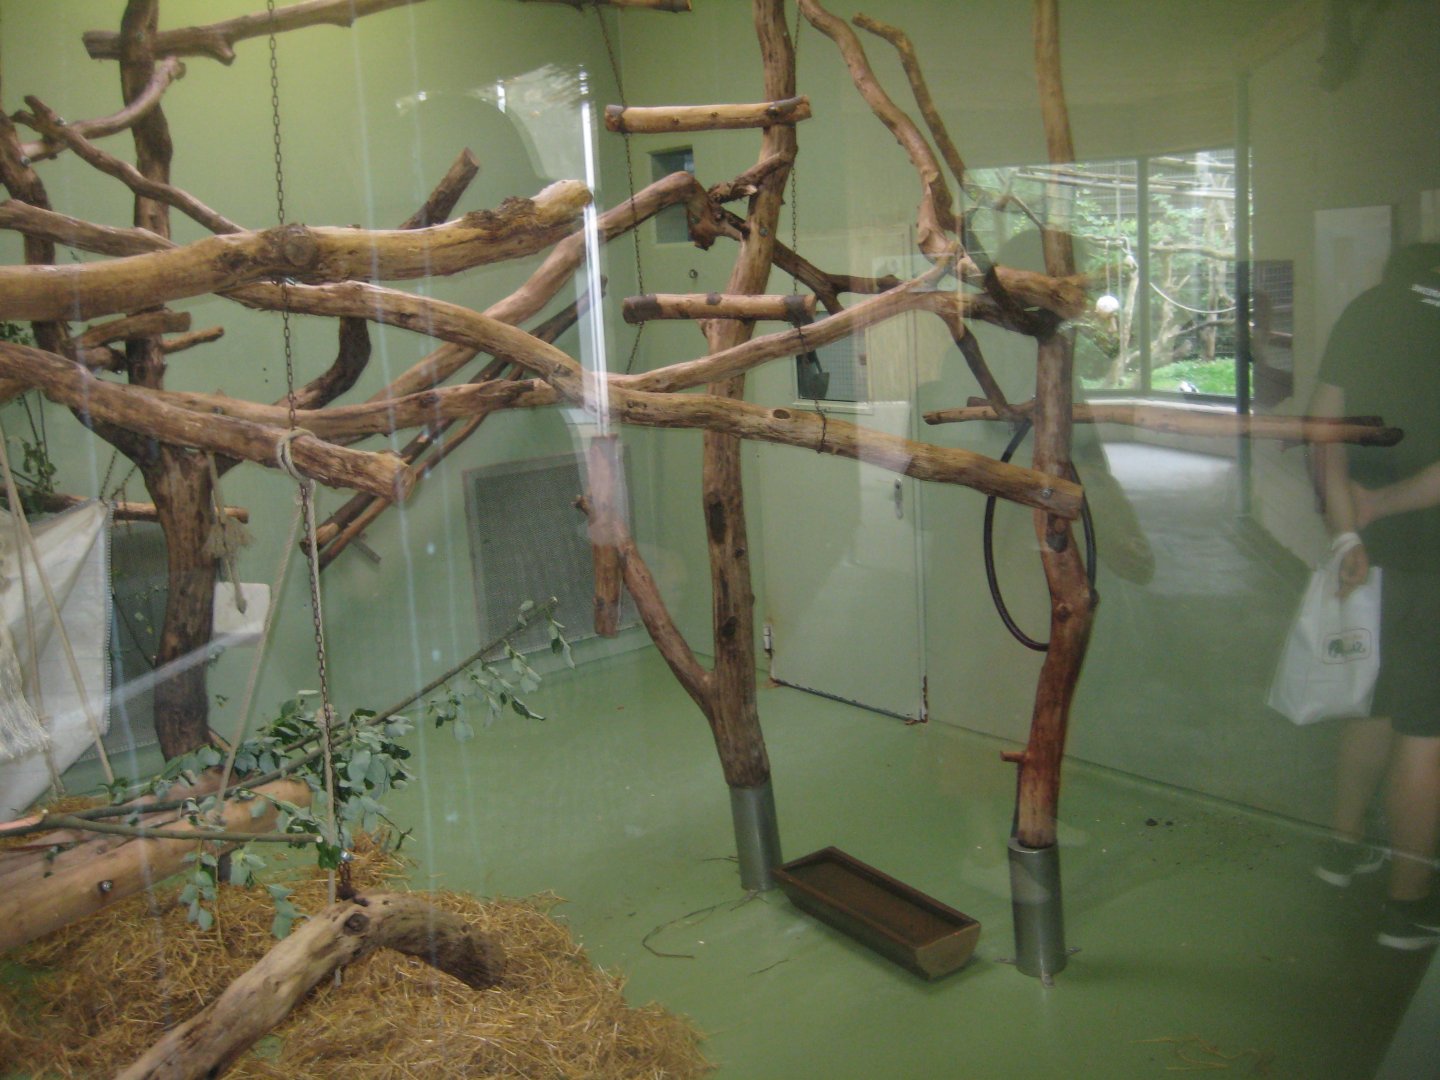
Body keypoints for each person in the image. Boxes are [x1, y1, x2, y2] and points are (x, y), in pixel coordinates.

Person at [1309, 242, 1440, 950]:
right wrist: (1383, 505)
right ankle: (1407, 905)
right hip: (1434, 562)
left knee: (1374, 701)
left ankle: (1341, 848)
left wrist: (1344, 533)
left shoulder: (1367, 312)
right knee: (1428, 732)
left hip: (1372, 557)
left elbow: (1323, 431)